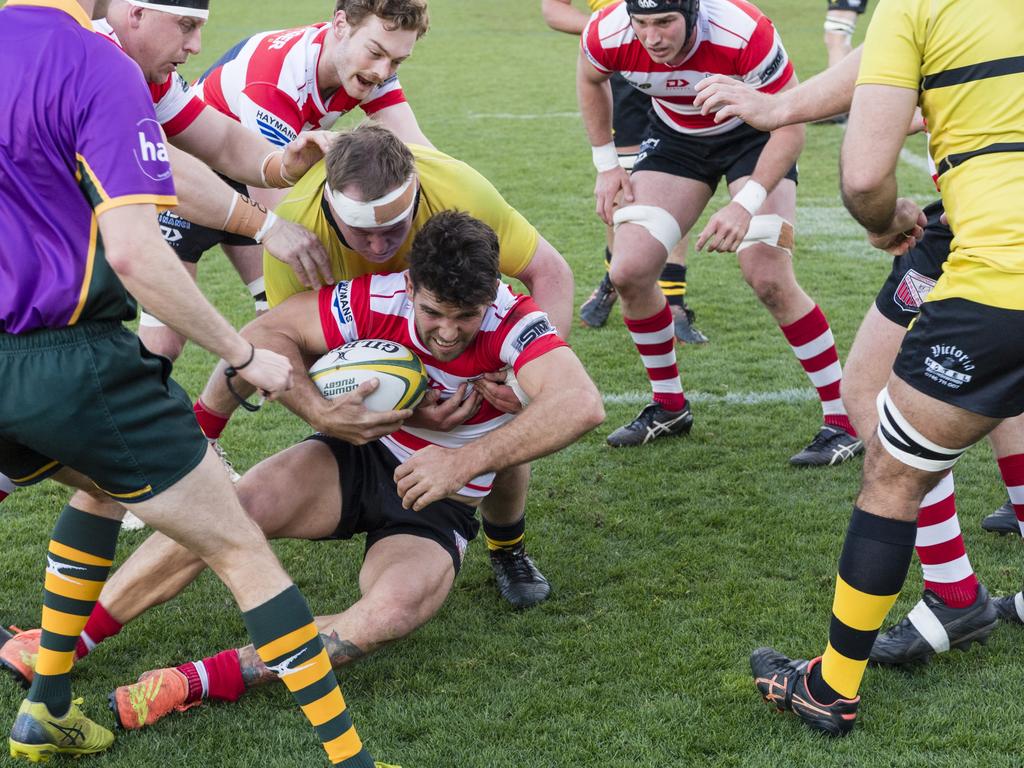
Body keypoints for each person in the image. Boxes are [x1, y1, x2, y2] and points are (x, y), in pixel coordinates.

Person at [2, 212, 606, 733]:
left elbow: (582, 404)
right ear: (412, 285)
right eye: (433, 312)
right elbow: (267, 332)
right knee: (235, 508)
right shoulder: (379, 296)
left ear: (492, 296)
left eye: (466, 316)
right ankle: (68, 641)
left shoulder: (514, 319)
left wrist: (462, 461)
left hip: (439, 498)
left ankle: (190, 683)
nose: (448, 333)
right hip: (357, 457)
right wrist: (322, 411)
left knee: (393, 612)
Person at [0, 0, 385, 764]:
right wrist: (243, 357)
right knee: (241, 548)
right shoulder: (97, 63)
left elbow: (171, 162)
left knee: (106, 486)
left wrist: (264, 201)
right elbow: (141, 257)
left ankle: (44, 709)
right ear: (135, 10)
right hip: (75, 360)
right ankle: (354, 760)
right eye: (186, 24)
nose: (197, 43)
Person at [694, 47, 1024, 664]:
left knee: (871, 389)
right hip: (980, 216)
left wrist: (780, 107)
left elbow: (869, 171)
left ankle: (948, 597)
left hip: (972, 225)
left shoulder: (930, 7)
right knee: (1006, 385)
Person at [191, 123, 575, 609]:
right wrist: (377, 411)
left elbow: (550, 271)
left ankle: (507, 547)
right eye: (361, 233)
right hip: (361, 328)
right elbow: (290, 354)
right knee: (248, 353)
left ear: (416, 203)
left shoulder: (459, 192)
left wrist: (525, 372)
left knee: (500, 415)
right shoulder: (297, 229)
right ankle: (199, 435)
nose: (377, 248)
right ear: (331, 209)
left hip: (448, 310)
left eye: (392, 230)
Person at [577, 0, 860, 465]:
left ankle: (843, 419)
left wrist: (744, 205)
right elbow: (589, 77)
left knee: (767, 274)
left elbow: (790, 125)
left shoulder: (744, 31)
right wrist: (607, 166)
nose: (652, 38)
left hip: (759, 135)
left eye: (665, 22)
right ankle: (669, 406)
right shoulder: (606, 29)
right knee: (629, 271)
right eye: (642, 24)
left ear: (692, 13)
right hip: (676, 140)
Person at [140, 0, 433, 363]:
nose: (382, 70)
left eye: (396, 61)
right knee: (165, 341)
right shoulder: (277, 78)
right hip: (195, 175)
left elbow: (421, 152)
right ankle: (138, 414)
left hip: (256, 171)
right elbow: (285, 202)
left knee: (281, 317)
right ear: (340, 24)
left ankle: (272, 408)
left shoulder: (364, 63)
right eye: (375, 53)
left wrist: (451, 224)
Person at [540, 0, 707, 344]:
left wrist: (660, 29)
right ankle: (614, 278)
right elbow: (554, 10)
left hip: (686, 60)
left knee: (677, 176)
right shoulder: (615, 34)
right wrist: (617, 31)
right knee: (625, 187)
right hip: (623, 68)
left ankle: (672, 300)